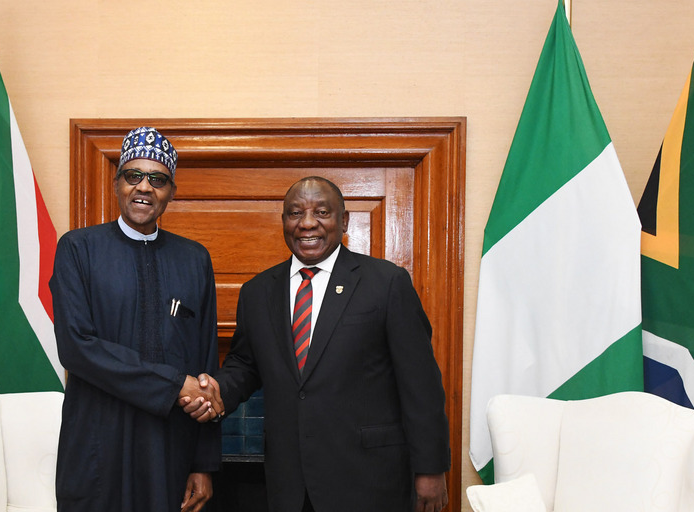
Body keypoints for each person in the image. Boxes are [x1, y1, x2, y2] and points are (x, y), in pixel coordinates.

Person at [184, 176, 450, 512]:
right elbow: (245, 365)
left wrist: (430, 468)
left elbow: (421, 384)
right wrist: (215, 391)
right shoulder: (257, 292)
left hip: (370, 479)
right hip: (290, 482)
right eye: (295, 213)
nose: (307, 223)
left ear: (344, 220)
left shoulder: (386, 283)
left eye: (322, 212)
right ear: (284, 222)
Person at [50, 127, 221, 512]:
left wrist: (203, 464)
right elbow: (77, 348)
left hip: (170, 448)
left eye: (157, 179)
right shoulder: (78, 249)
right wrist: (175, 384)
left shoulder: (194, 259)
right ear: (117, 184)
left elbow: (206, 364)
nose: (144, 187)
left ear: (171, 192)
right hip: (97, 442)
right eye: (133, 176)